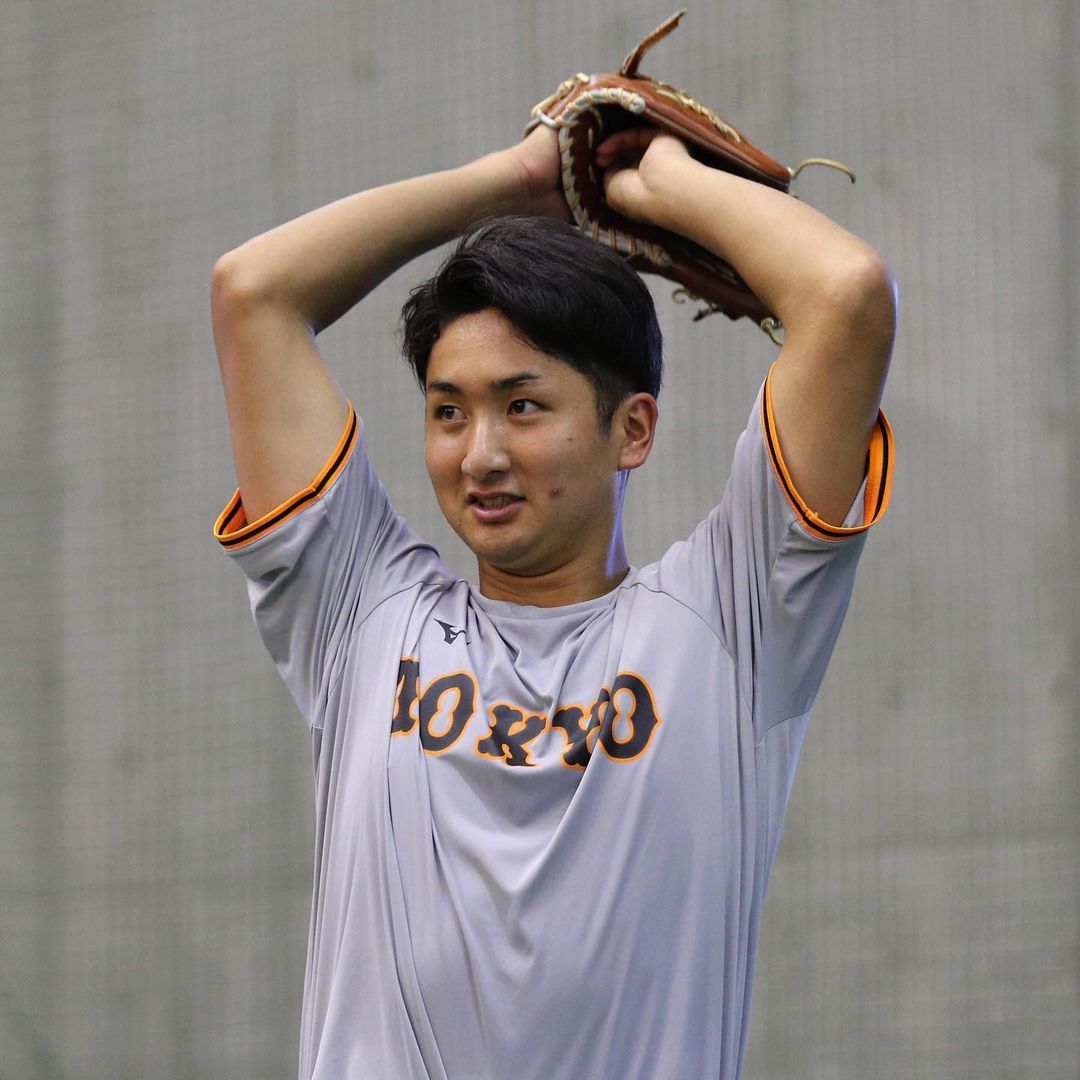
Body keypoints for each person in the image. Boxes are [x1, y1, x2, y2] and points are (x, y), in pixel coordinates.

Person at [210, 121, 895, 1079]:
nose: (479, 454)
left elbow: (847, 294)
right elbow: (254, 292)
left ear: (633, 429)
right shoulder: (361, 611)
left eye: (522, 405)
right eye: (449, 411)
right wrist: (519, 178)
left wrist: (662, 182)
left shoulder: (734, 622)